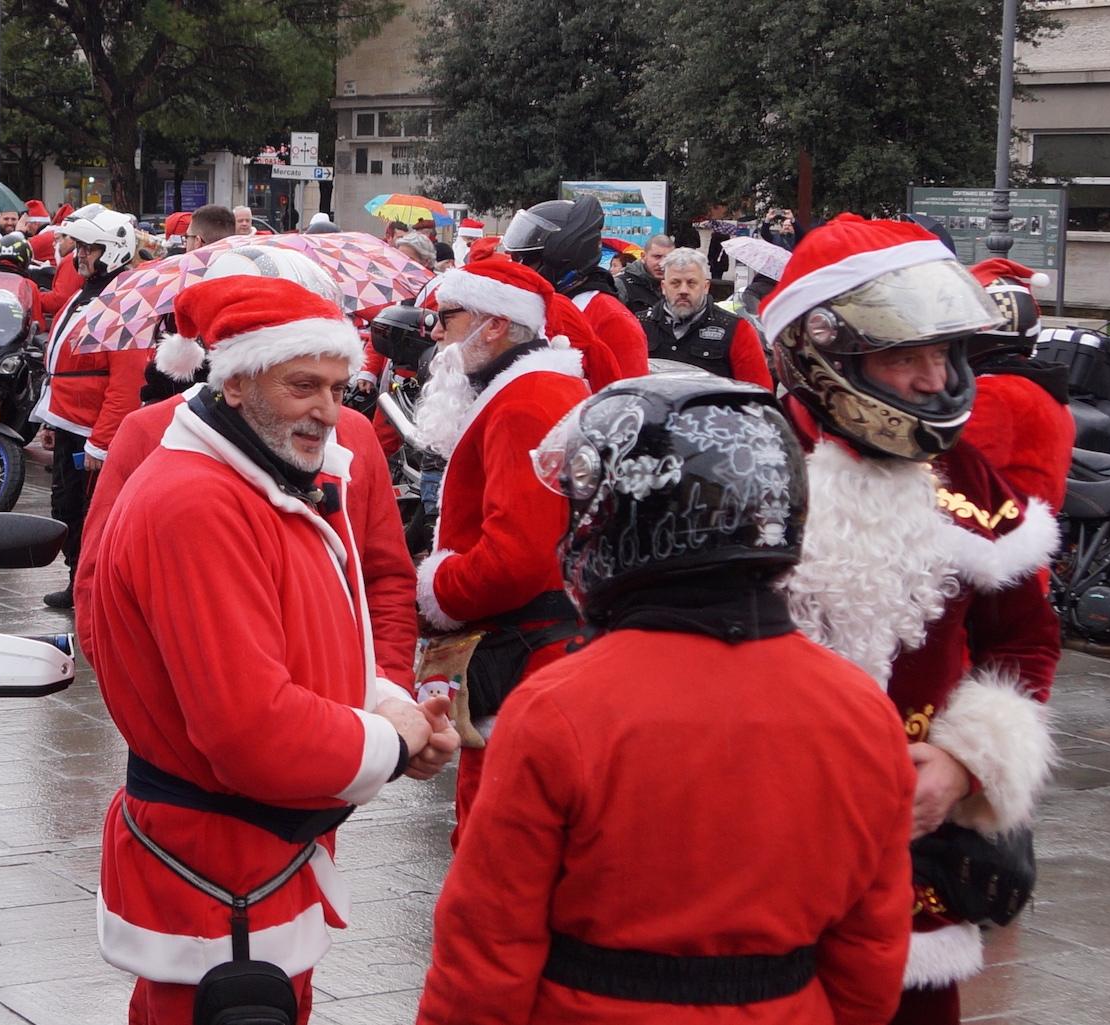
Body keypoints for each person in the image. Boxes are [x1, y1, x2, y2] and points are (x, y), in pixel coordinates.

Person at [419, 373, 917, 1025]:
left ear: (620, 519)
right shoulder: (861, 709)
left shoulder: (558, 709)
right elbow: (872, 951)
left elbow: (486, 949)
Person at [82, 275, 458, 1024]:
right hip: (219, 864)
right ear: (237, 380)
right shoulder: (199, 501)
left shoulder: (261, 478)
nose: (329, 410)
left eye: (338, 386)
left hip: (256, 858)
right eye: (303, 385)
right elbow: (253, 730)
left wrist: (386, 705)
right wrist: (392, 736)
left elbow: (350, 609)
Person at [764, 215, 1060, 1025]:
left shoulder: (966, 472)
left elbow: (1024, 636)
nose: (936, 379)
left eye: (945, 354)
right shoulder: (746, 462)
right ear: (826, 357)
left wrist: (967, 762)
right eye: (906, 356)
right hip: (757, 844)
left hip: (912, 864)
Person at [77, 252, 418, 690]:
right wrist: (163, 716)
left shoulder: (353, 433)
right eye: (300, 378)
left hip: (351, 717)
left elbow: (385, 577)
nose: (326, 410)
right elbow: (98, 594)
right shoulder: (150, 432)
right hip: (195, 733)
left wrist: (388, 689)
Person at [410, 259, 590, 842]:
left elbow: (516, 559)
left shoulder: (525, 400)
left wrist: (437, 588)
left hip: (526, 652)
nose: (436, 332)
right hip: (539, 645)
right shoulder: (537, 388)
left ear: (493, 324)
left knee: (498, 832)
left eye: (448, 316)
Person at [32, 208, 144, 608]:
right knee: (67, 506)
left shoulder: (124, 300)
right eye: (79, 247)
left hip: (92, 430)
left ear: (112, 250)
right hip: (70, 422)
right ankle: (78, 577)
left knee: (90, 510)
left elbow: (126, 382)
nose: (78, 255)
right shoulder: (92, 291)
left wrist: (101, 442)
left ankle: (92, 584)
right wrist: (51, 416)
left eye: (87, 248)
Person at [963, 259, 1073, 511]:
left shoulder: (995, 395)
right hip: (1021, 521)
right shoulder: (1033, 385)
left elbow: (954, 469)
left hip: (994, 530)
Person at [504, 196, 650, 378]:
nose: (519, 268)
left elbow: (629, 399)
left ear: (559, 259)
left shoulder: (612, 319)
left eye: (525, 260)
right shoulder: (534, 307)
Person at [637, 247, 773, 388]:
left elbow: (759, 392)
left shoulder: (736, 329)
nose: (683, 290)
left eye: (691, 283)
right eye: (675, 283)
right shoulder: (640, 325)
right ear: (664, 287)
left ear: (706, 286)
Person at [615, 233, 672, 313]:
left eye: (668, 258)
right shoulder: (621, 285)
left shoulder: (678, 285)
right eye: (657, 257)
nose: (662, 263)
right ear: (643, 256)